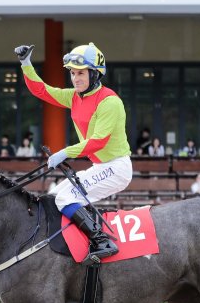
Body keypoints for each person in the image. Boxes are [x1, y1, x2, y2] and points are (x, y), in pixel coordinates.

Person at [15, 42, 131, 263]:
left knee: (66, 197)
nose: (75, 78)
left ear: (95, 74)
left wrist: (64, 152)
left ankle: (102, 241)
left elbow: (98, 141)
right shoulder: (75, 96)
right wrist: (26, 63)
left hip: (117, 167)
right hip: (101, 166)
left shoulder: (110, 102)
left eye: (81, 73)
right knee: (53, 197)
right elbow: (43, 91)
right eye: (73, 73)